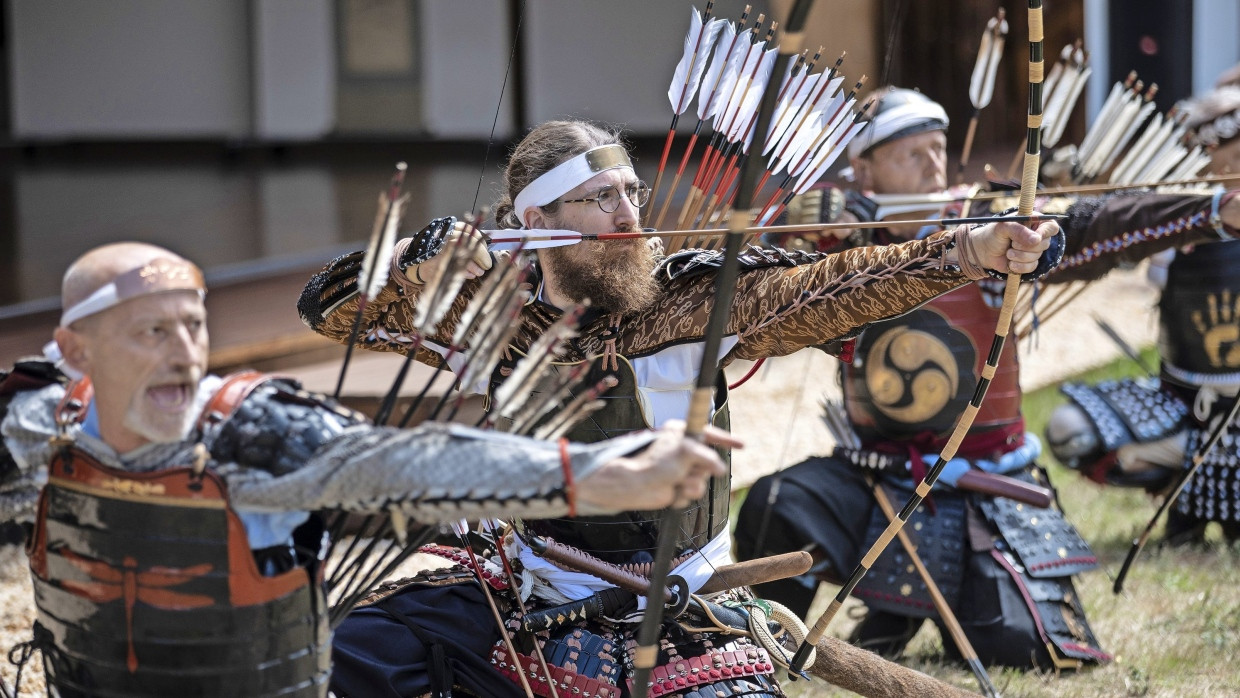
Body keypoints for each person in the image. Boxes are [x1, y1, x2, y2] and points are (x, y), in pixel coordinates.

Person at [298, 118, 1062, 696]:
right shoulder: (489, 315)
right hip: (533, 580)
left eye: (631, 189)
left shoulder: (692, 300)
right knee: (369, 643)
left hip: (678, 598)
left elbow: (830, 289)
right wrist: (408, 266)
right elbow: (331, 311)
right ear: (535, 223)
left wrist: (968, 250)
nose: (629, 211)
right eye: (599, 199)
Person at [0, 242, 732, 698]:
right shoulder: (31, 431)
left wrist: (597, 471)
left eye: (193, 327)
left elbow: (413, 462)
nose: (182, 354)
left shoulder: (256, 433)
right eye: (149, 332)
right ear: (78, 349)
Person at [735, 87, 1240, 671]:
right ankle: (760, 653)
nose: (933, 166)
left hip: (983, 488)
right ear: (863, 168)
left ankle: (908, 611)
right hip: (869, 476)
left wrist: (1208, 211)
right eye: (910, 155)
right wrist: (789, 230)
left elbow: (1096, 222)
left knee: (1024, 649)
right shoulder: (841, 244)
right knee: (776, 505)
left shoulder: (986, 229)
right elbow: (744, 288)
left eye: (938, 149)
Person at [1047, 84, 1240, 545]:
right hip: (1185, 406)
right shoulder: (1176, 220)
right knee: (1071, 430)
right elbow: (1121, 244)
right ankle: (1178, 488)